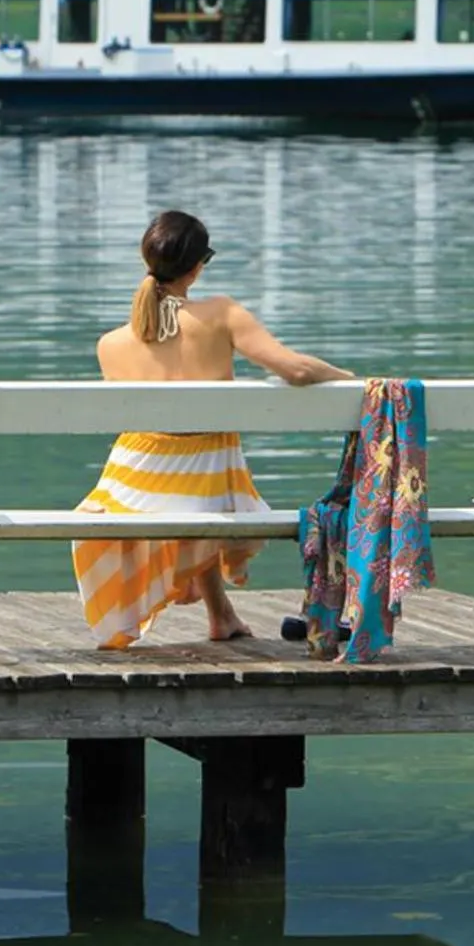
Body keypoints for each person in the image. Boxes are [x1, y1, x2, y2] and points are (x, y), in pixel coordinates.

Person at [74, 210, 355, 647]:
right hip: (207, 481)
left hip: (130, 487)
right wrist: (354, 381)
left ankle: (221, 616)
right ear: (198, 265)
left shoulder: (110, 344)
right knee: (200, 483)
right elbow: (296, 371)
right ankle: (222, 615)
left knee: (188, 486)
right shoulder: (221, 313)